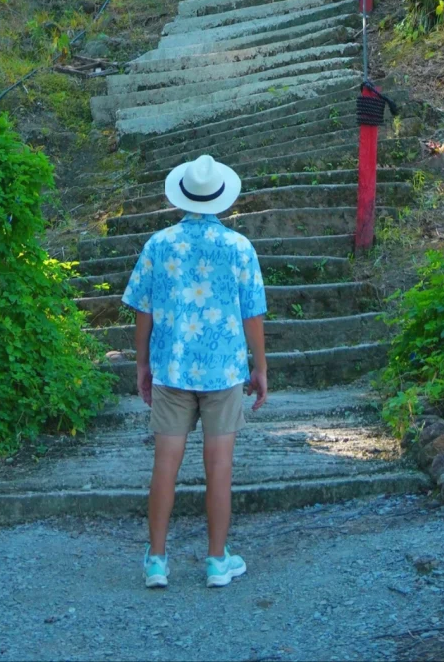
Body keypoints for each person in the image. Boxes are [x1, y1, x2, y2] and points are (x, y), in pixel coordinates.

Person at [122, 152, 268, 590]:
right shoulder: (239, 247)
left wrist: (143, 363)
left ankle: (156, 561)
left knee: (164, 465)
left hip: (172, 368)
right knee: (219, 466)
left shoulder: (159, 245)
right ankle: (217, 561)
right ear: (221, 197)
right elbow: (252, 315)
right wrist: (259, 367)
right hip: (224, 372)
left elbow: (142, 312)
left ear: (182, 196)